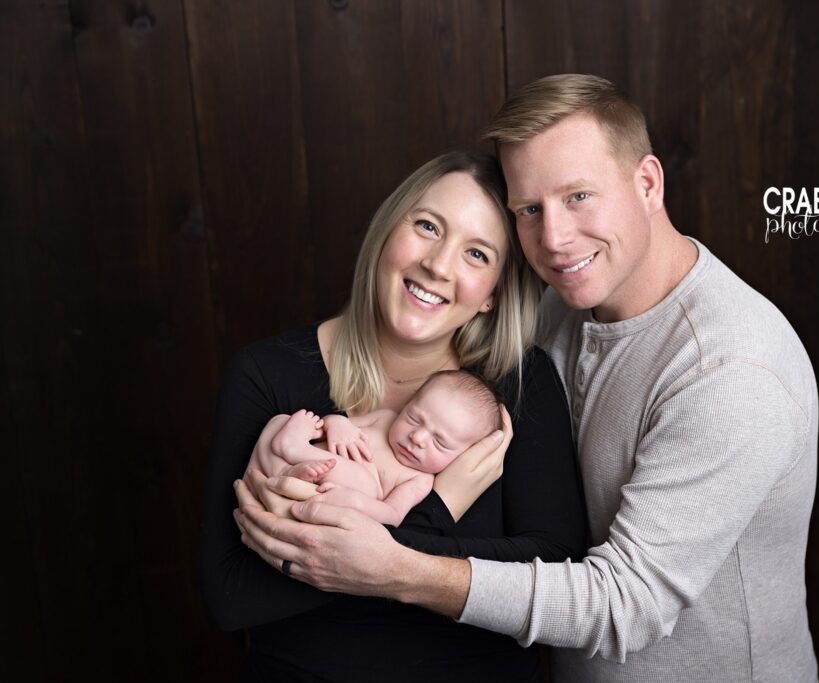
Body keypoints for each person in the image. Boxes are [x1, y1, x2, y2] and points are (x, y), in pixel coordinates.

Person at [236, 75, 819, 682]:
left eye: (579, 197)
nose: (555, 239)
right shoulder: (558, 310)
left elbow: (627, 605)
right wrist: (285, 450)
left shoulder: (730, 370)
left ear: (647, 183)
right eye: (529, 210)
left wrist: (396, 565)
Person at [200, 150, 588, 682]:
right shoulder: (266, 374)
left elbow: (558, 571)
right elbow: (232, 597)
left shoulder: (518, 383)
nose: (439, 264)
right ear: (386, 232)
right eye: (428, 226)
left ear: (492, 297)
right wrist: (442, 510)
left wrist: (390, 551)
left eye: (477, 254)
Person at [248, 370, 503, 525]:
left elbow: (392, 514)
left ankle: (293, 456)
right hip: (287, 468)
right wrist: (337, 425)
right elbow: (328, 426)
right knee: (279, 421)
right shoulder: (385, 418)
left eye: (440, 442)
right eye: (414, 419)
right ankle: (286, 459)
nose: (418, 438)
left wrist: (355, 502)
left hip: (323, 493)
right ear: (407, 406)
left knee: (365, 482)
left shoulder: (419, 479)